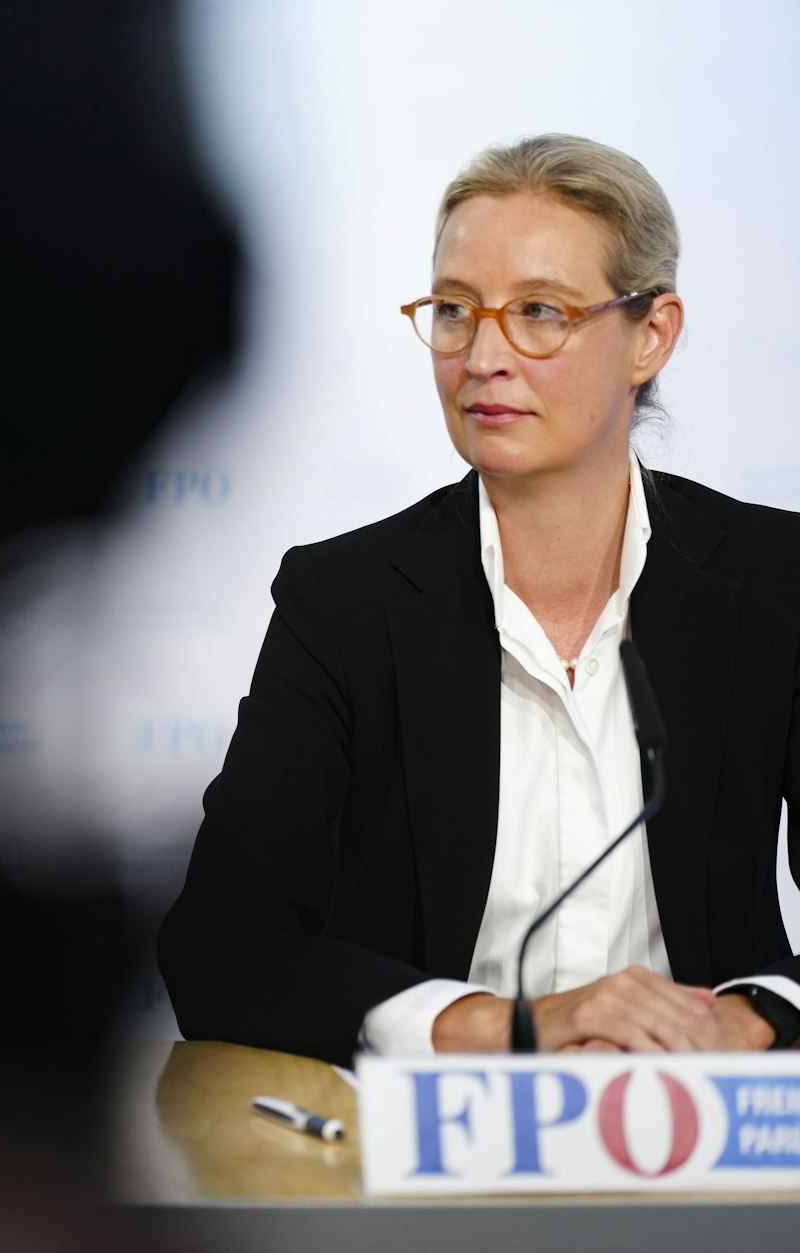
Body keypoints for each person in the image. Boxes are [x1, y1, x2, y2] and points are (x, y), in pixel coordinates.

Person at [160, 134, 800, 1066]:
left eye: (540, 312)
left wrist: (740, 1023)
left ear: (651, 334)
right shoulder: (343, 602)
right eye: (455, 312)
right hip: (431, 1149)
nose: (483, 356)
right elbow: (219, 947)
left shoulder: (774, 580)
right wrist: (501, 1027)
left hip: (705, 1134)